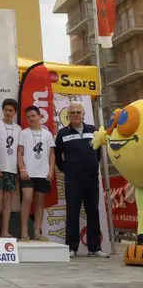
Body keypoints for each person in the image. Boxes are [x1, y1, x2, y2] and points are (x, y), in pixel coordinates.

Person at [55, 101, 109, 258]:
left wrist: (92, 165)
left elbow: (97, 153)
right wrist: (67, 169)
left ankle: (94, 248)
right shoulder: (63, 134)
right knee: (72, 212)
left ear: (83, 114)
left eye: (78, 112)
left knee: (93, 212)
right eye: (72, 113)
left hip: (91, 179)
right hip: (73, 180)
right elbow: (58, 156)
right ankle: (71, 248)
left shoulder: (93, 131)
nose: (76, 115)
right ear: (68, 116)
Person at [18, 105, 55, 241]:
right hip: (28, 173)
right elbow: (19, 153)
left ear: (40, 116)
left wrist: (51, 170)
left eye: (33, 116)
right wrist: (22, 169)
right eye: (28, 117)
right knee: (27, 199)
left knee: (40, 202)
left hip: (43, 173)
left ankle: (37, 232)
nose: (31, 119)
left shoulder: (47, 134)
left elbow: (51, 154)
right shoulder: (23, 133)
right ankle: (24, 232)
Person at [0, 98, 19, 238]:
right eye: (6, 110)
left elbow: (20, 151)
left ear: (15, 112)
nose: (8, 112)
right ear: (3, 110)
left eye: (11, 110)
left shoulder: (19, 129)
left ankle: (4, 231)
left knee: (8, 200)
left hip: (12, 169)